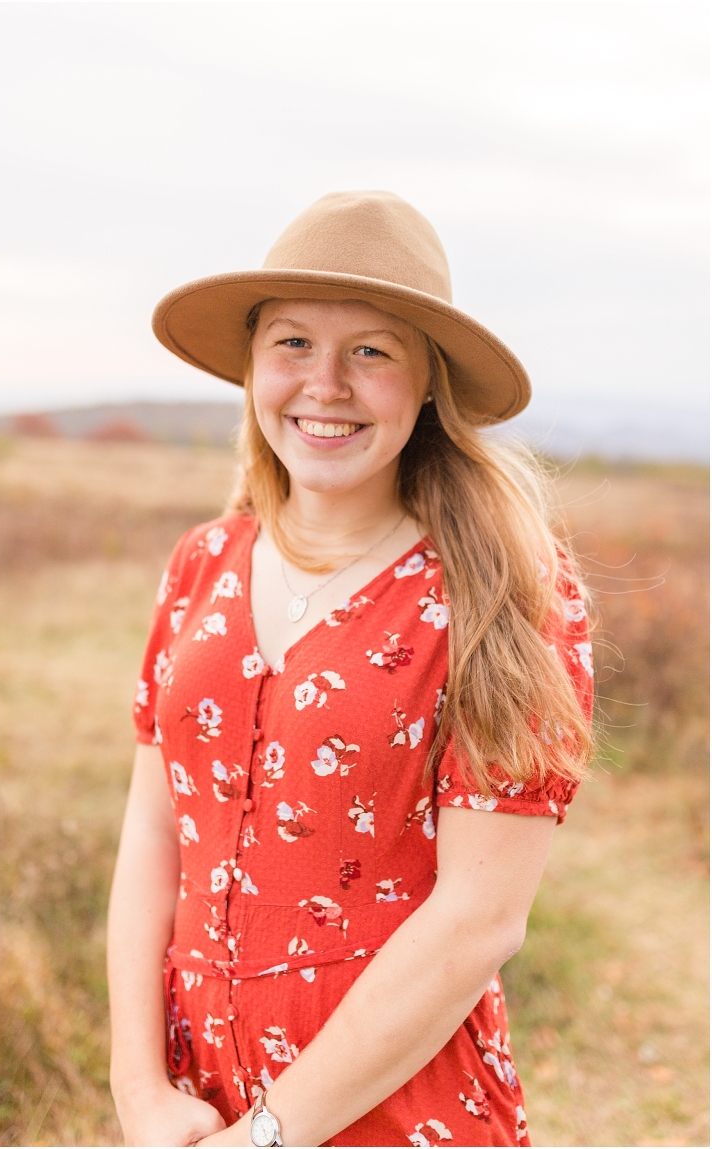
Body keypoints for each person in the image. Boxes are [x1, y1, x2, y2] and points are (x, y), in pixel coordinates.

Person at [107, 191, 594, 1148]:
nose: (324, 384)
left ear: (426, 387)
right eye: (292, 343)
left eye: (371, 351)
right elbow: (153, 824)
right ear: (252, 366)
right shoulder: (201, 562)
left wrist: (268, 1134)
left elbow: (478, 920)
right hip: (190, 1101)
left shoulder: (505, 590)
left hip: (396, 1108)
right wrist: (139, 1087)